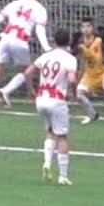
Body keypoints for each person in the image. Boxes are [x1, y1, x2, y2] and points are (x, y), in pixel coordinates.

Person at [23, 27, 80, 185]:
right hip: (56, 99)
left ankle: (47, 162)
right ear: (68, 42)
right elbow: (73, 79)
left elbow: (28, 72)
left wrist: (30, 89)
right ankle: (63, 176)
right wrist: (73, 92)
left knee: (50, 131)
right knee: (62, 136)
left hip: (41, 99)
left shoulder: (46, 56)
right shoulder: (69, 59)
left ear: (54, 41)